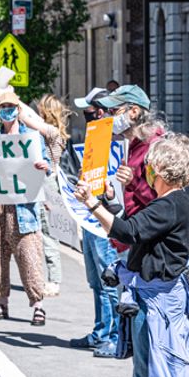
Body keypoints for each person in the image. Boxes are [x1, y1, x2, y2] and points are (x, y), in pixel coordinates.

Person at [74, 133, 189, 377]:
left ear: (160, 170)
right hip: (156, 295)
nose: (144, 171)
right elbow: (136, 224)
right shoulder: (173, 203)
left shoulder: (171, 205)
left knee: (159, 374)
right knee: (151, 371)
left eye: (148, 167)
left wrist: (92, 203)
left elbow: (126, 231)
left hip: (160, 299)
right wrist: (111, 202)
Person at [94, 85, 164, 377]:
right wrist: (112, 193)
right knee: (134, 325)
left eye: (114, 110)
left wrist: (132, 182)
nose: (109, 117)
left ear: (133, 112)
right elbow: (132, 203)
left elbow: (162, 204)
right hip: (131, 247)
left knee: (143, 327)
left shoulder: (154, 148)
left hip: (147, 254)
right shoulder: (133, 146)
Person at [0, 88, 52, 326]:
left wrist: (45, 166)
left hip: (23, 208)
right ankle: (1, 303)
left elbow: (49, 162)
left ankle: (38, 306)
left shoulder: (31, 138)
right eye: (2, 108)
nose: (7, 111)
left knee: (29, 256)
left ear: (18, 111)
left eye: (10, 107)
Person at [68, 87, 123, 358]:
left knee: (109, 280)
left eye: (88, 111)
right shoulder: (94, 140)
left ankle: (114, 337)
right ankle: (101, 332)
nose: (85, 116)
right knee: (96, 281)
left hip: (107, 220)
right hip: (90, 217)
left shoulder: (117, 141)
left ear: (100, 111)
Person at [36, 95, 69, 298]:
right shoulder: (47, 132)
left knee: (48, 233)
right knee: (40, 233)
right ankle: (43, 277)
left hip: (48, 184)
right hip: (42, 182)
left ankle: (54, 280)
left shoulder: (52, 133)